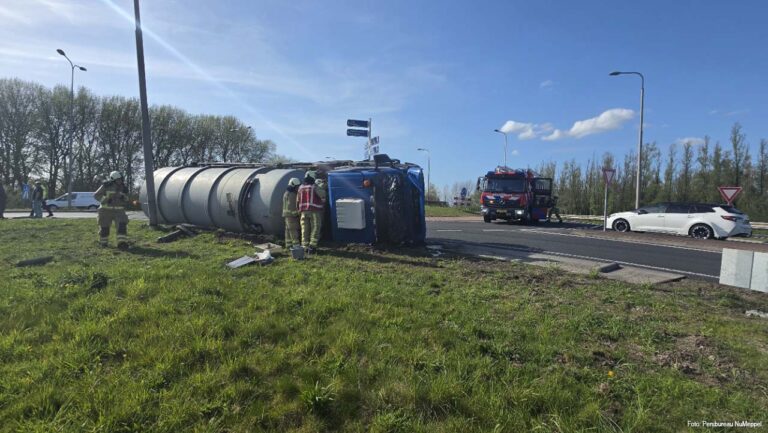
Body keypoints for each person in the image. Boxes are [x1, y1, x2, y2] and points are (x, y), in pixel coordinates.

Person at [94, 171, 130, 248]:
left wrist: (124, 197)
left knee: (122, 226)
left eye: (121, 179)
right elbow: (96, 195)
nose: (120, 181)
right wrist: (106, 199)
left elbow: (127, 199)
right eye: (118, 180)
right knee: (104, 228)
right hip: (105, 210)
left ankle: (122, 243)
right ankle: (103, 243)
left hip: (119, 211)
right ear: (113, 180)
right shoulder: (106, 186)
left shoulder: (123, 187)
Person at [297, 170, 327, 254]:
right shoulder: (314, 186)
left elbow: (297, 200)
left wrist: (299, 210)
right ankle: (312, 247)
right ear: (313, 177)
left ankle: (304, 246)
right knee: (315, 228)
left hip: (303, 212)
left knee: (304, 229)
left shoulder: (300, 187)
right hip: (314, 211)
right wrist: (323, 186)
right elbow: (323, 195)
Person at [282, 177, 301, 249]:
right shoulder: (293, 195)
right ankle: (296, 246)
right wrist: (297, 213)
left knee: (288, 230)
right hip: (292, 216)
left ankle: (288, 245)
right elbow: (293, 206)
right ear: (293, 186)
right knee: (293, 230)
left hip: (286, 215)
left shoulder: (286, 193)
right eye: (297, 186)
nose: (298, 188)